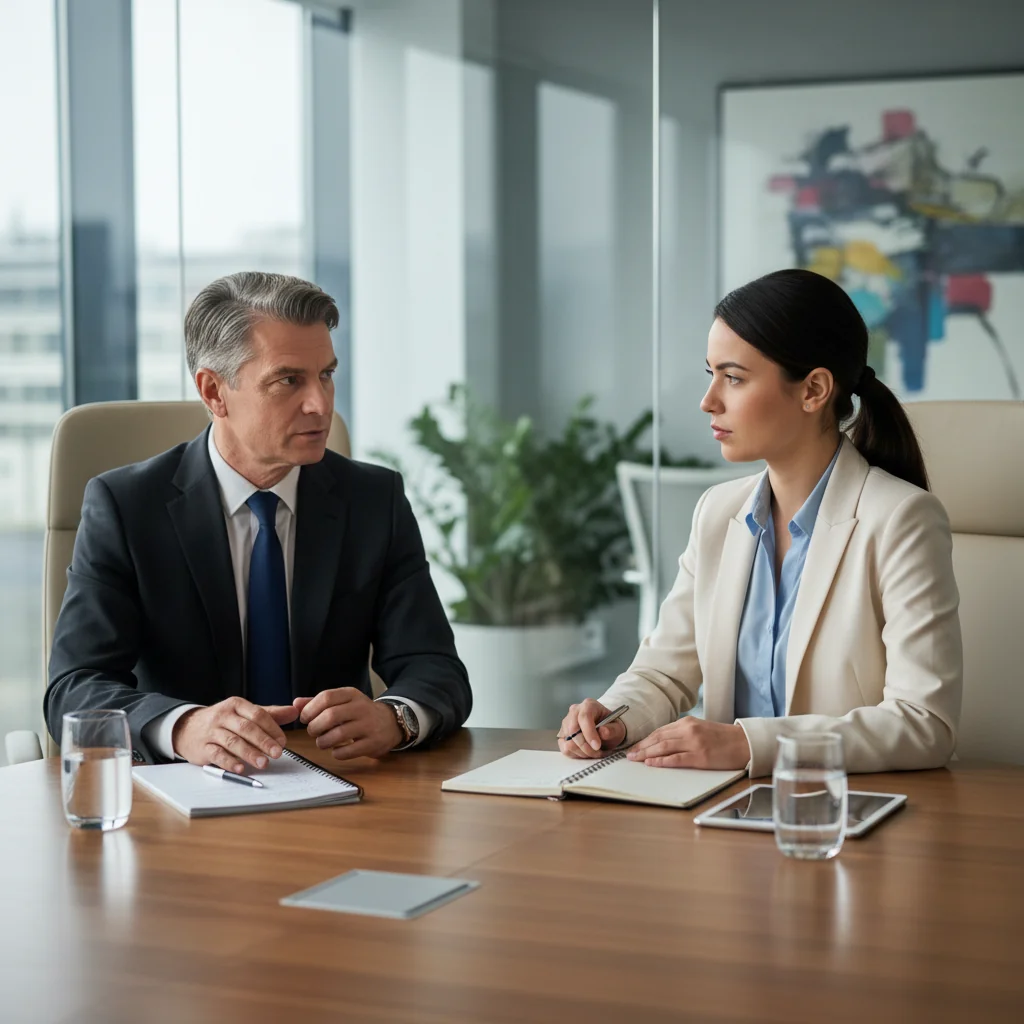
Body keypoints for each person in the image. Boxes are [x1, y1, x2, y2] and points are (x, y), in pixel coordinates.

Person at [46, 272, 471, 770]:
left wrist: (395, 717)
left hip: (340, 790)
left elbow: (436, 669)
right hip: (180, 798)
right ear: (214, 391)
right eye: (289, 380)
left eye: (327, 375)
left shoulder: (374, 500)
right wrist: (183, 727)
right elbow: (74, 688)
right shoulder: (126, 506)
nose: (320, 404)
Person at [559, 268, 962, 778]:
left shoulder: (901, 520)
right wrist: (615, 716)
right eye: (711, 374)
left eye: (734, 377)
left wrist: (748, 745)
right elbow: (664, 672)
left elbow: (925, 724)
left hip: (843, 818)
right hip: (724, 813)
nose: (709, 400)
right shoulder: (717, 513)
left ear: (814, 389)